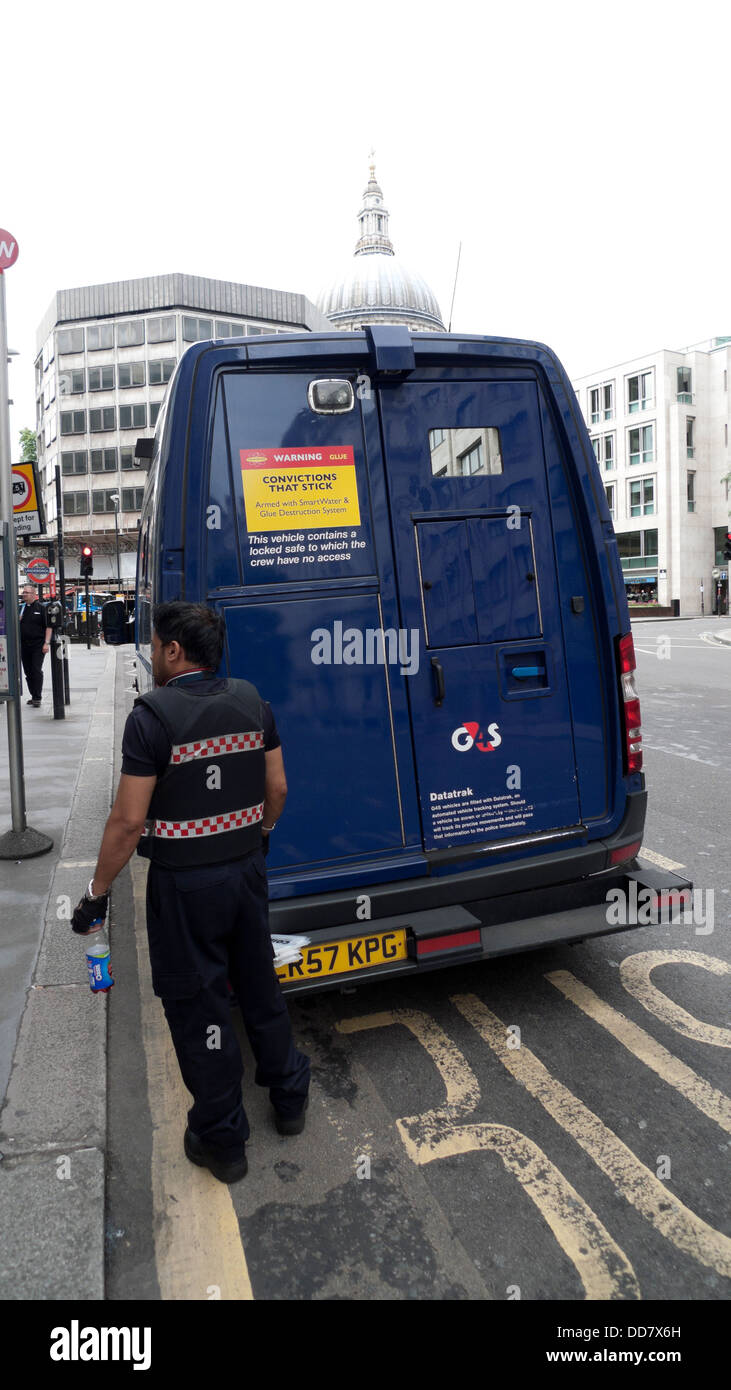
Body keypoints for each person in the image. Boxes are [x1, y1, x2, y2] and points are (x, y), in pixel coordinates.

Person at [70, 601, 310, 1184]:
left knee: (199, 1004)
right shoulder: (254, 701)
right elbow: (276, 788)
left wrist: (97, 892)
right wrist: (259, 837)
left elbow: (128, 824)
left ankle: (223, 1140)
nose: (152, 655)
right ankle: (289, 1099)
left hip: (184, 888)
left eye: (155, 646)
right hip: (246, 874)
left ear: (174, 651)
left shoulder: (151, 718)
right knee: (257, 981)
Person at [19, 583, 51, 707]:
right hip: (24, 645)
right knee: (28, 671)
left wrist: (46, 643)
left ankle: (37, 697)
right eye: (23, 592)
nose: (24, 594)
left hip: (38, 644)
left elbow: (49, 626)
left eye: (26, 593)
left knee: (36, 670)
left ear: (34, 594)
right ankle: (33, 695)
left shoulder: (41, 608)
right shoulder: (20, 608)